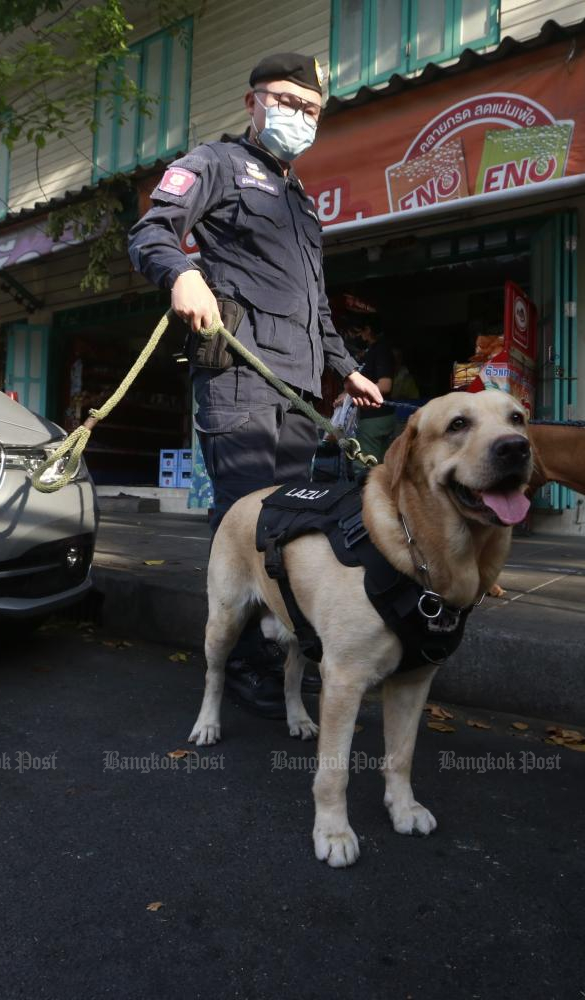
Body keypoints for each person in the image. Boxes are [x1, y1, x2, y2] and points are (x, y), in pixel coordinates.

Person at [127, 52, 384, 718]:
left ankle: (282, 645)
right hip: (240, 379)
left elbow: (315, 303)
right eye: (286, 100)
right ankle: (244, 664)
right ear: (252, 101)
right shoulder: (214, 163)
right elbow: (153, 228)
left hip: (300, 392)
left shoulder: (301, 202)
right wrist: (180, 275)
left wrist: (346, 366)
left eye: (310, 107)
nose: (298, 115)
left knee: (295, 523)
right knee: (248, 522)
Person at [339, 312, 398, 462]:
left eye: (358, 331)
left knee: (365, 467)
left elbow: (385, 385)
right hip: (376, 417)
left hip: (375, 418)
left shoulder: (380, 350)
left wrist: (350, 395)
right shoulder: (370, 351)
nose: (356, 336)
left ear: (367, 330)